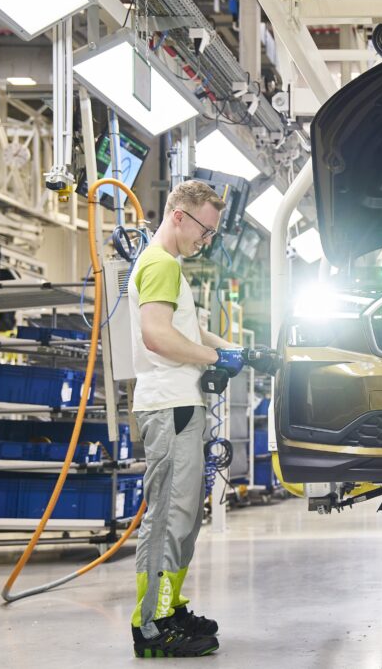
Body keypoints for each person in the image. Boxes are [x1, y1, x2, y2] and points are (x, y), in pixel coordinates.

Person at [128, 180, 246, 658]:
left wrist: (236, 350)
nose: (207, 239)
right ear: (179, 215)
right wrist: (213, 359)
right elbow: (157, 336)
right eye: (205, 229)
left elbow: (189, 331)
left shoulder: (170, 266)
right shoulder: (159, 263)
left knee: (185, 517)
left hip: (181, 404)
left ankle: (169, 607)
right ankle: (151, 626)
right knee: (168, 518)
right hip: (169, 405)